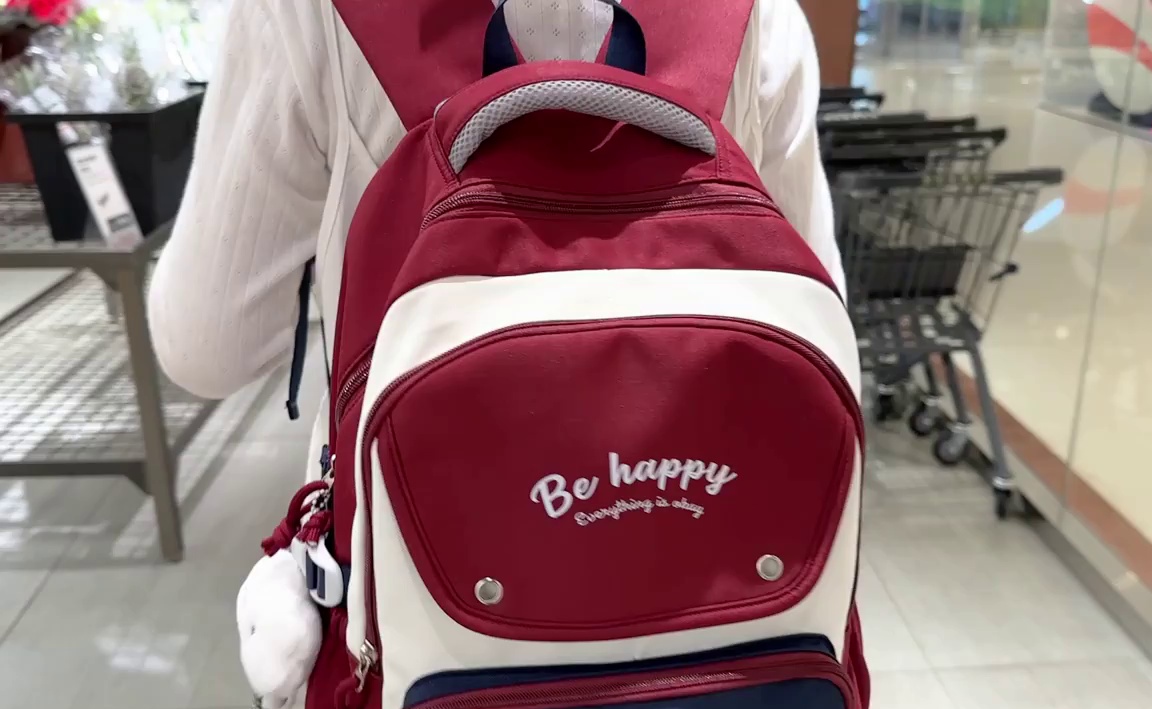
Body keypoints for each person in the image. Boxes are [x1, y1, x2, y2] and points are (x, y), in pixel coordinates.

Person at [148, 0, 843, 411]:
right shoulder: (761, 14)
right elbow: (822, 327)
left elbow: (209, 350)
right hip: (696, 525)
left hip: (420, 560)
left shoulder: (304, 12)